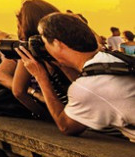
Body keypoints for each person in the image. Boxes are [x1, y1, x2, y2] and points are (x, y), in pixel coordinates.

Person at [18, 12, 135, 141]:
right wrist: (61, 63)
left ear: (57, 44)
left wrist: (41, 77)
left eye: (44, 42)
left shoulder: (88, 86)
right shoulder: (112, 59)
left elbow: (66, 126)